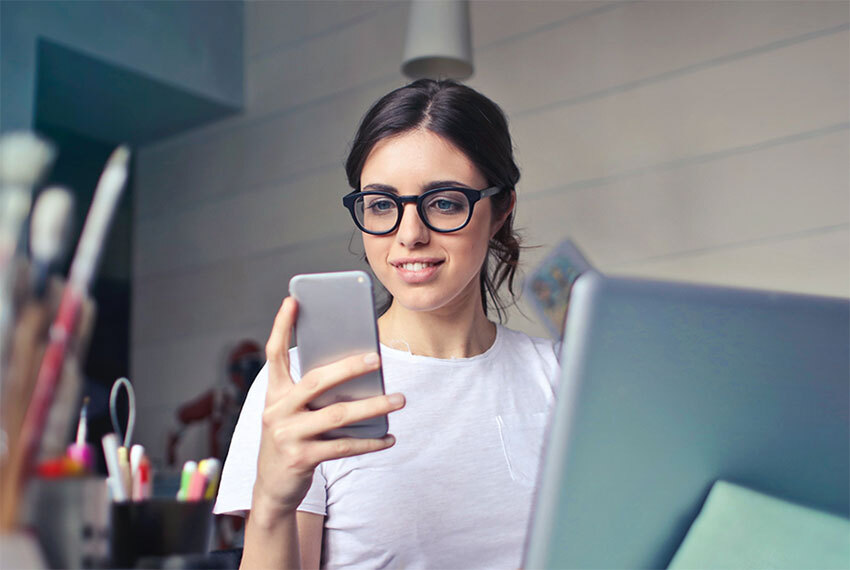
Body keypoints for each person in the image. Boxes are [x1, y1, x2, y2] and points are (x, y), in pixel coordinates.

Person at [214, 79, 560, 569]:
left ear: (501, 209)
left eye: (444, 202)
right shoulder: (302, 388)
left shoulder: (563, 376)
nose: (410, 234)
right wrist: (271, 504)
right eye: (381, 205)